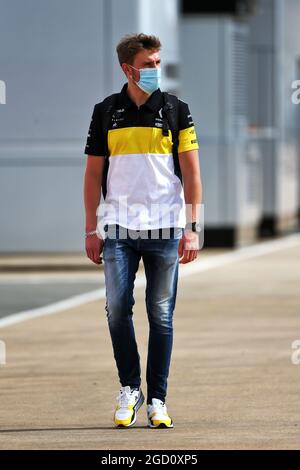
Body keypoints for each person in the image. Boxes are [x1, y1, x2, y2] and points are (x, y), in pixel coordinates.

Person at [84, 33, 202, 428]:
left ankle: (158, 400)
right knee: (117, 310)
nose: (155, 69)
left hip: (166, 229)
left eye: (157, 62)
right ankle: (129, 388)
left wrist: (192, 227)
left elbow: (191, 173)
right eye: (148, 63)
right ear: (127, 68)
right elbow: (92, 174)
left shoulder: (176, 110)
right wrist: (91, 228)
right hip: (117, 227)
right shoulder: (105, 112)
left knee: (161, 314)